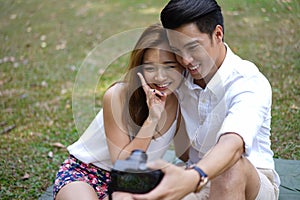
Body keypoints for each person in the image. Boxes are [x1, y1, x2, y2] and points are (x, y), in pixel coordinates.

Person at [132, 0, 280, 199]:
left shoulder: (248, 82)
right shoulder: (177, 76)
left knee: (229, 168)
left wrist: (196, 175)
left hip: (250, 182)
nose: (186, 60)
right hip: (195, 178)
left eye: (193, 47)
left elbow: (234, 144)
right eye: (177, 50)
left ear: (218, 34)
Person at [53, 23, 189, 200]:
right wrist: (152, 119)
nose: (160, 77)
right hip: (86, 174)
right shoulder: (117, 95)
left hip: (136, 183)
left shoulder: (181, 102)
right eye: (149, 68)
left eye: (169, 66)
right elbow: (122, 163)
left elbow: (186, 153)